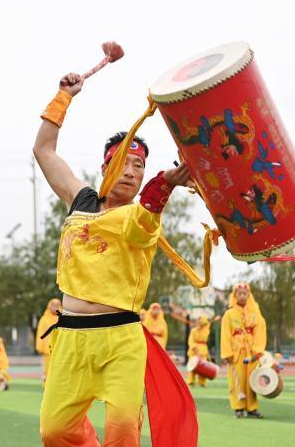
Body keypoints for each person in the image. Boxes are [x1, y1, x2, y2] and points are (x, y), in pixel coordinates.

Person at [34, 71, 197, 446]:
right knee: (54, 430)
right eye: (123, 162)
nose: (131, 171)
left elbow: (142, 226)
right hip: (71, 338)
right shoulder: (80, 199)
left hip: (121, 338)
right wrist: (63, 97)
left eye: (139, 166)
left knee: (124, 431)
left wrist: (166, 183)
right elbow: (44, 151)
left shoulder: (143, 214)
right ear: (105, 167)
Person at [220, 283, 267, 419]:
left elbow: (260, 330)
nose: (242, 296)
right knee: (238, 379)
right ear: (234, 296)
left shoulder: (255, 313)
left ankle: (252, 408)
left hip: (251, 351)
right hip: (236, 352)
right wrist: (227, 353)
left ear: (248, 295)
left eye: (244, 294)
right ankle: (238, 407)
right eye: (239, 293)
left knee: (252, 379)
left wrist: (258, 350)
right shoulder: (229, 314)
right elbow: (225, 334)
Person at [36, 298, 62, 386]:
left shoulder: (63, 318)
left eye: (57, 305)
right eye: (53, 305)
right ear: (49, 306)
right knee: (47, 370)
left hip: (60, 349)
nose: (55, 307)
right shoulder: (44, 319)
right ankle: (46, 387)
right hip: (47, 350)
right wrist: (40, 347)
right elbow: (40, 333)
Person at [186, 315, 211, 387]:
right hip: (193, 351)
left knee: (203, 367)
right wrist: (194, 348)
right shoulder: (193, 331)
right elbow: (190, 341)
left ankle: (202, 382)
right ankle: (191, 381)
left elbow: (207, 324)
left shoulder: (206, 330)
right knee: (192, 366)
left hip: (203, 350)